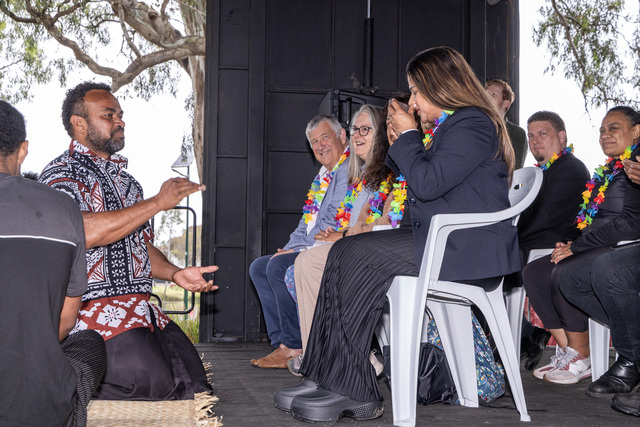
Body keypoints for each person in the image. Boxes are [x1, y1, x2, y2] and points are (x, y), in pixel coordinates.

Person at [274, 46, 520, 422]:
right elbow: (420, 180)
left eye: (417, 91)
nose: (414, 102)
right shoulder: (452, 127)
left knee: (354, 253)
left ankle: (353, 387)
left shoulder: (473, 122)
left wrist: (408, 137)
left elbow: (428, 183)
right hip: (440, 240)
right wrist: (398, 140)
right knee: (338, 253)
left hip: (464, 247)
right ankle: (325, 373)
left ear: (441, 85)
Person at [38, 82, 218, 401]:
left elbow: (140, 246)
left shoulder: (129, 183)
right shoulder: (60, 174)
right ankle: (62, 376)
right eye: (108, 115)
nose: (120, 121)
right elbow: (80, 231)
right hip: (87, 312)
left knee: (193, 378)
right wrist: (157, 203)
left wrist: (175, 273)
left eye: (120, 114)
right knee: (148, 383)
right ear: (79, 124)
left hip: (138, 308)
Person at [0, 100, 106, 426]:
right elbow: (64, 323)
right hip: (37, 407)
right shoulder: (63, 208)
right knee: (89, 342)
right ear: (22, 150)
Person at [522, 106, 640, 385]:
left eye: (613, 128)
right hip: (594, 244)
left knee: (564, 270)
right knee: (535, 272)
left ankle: (582, 353)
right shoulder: (609, 170)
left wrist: (577, 247)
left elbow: (629, 223)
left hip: (619, 247)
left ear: (636, 131)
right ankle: (571, 350)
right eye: (602, 130)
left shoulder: (635, 164)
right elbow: (585, 216)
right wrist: (569, 240)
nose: (605, 135)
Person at [287, 104, 396, 374]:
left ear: (381, 134)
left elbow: (389, 223)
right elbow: (350, 223)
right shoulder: (361, 175)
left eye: (365, 129)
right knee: (301, 264)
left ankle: (341, 358)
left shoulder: (392, 172)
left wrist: (344, 234)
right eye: (355, 129)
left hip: (379, 255)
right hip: (353, 247)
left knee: (305, 263)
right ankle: (322, 359)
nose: (357, 135)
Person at [249, 114, 350, 369]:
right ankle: (281, 344)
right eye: (314, 142)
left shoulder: (349, 169)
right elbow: (305, 223)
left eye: (325, 137)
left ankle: (294, 345)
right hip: (311, 246)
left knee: (278, 267)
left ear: (342, 136)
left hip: (335, 247)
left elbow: (333, 220)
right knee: (260, 267)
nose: (320, 146)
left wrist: (298, 251)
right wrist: (288, 249)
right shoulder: (321, 177)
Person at [514, 111, 590, 370]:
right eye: (530, 135)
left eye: (542, 134)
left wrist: (508, 232)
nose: (535, 140)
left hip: (553, 244)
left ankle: (550, 342)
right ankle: (527, 334)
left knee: (489, 263)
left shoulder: (570, 168)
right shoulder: (541, 172)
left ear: (562, 136)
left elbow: (546, 216)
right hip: (533, 242)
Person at [486, 78, 528, 168]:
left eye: (493, 94)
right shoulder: (472, 125)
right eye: (485, 94)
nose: (487, 97)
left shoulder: (517, 133)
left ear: (506, 103)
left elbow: (514, 169)